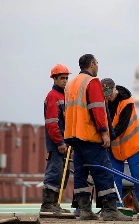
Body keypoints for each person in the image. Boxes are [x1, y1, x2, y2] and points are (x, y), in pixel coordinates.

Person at [64, 54, 131, 221]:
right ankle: (110, 210)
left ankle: (85, 210)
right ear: (92, 64)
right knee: (103, 171)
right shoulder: (92, 82)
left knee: (80, 173)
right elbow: (97, 109)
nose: (97, 66)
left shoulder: (71, 84)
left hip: (74, 135)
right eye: (97, 63)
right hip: (89, 135)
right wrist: (104, 132)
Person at [100, 78, 139, 219]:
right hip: (116, 146)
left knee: (138, 177)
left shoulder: (126, 102)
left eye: (110, 94)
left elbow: (121, 126)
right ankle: (116, 208)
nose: (109, 97)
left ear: (115, 89)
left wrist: (107, 137)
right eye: (106, 95)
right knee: (113, 176)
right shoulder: (105, 101)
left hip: (133, 144)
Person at [40, 64, 72, 214]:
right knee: (55, 172)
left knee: (63, 174)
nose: (65, 81)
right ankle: (47, 205)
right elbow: (52, 123)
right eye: (62, 78)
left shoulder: (64, 96)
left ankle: (55, 205)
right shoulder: (53, 96)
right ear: (54, 79)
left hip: (65, 142)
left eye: (66, 78)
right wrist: (59, 142)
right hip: (57, 143)